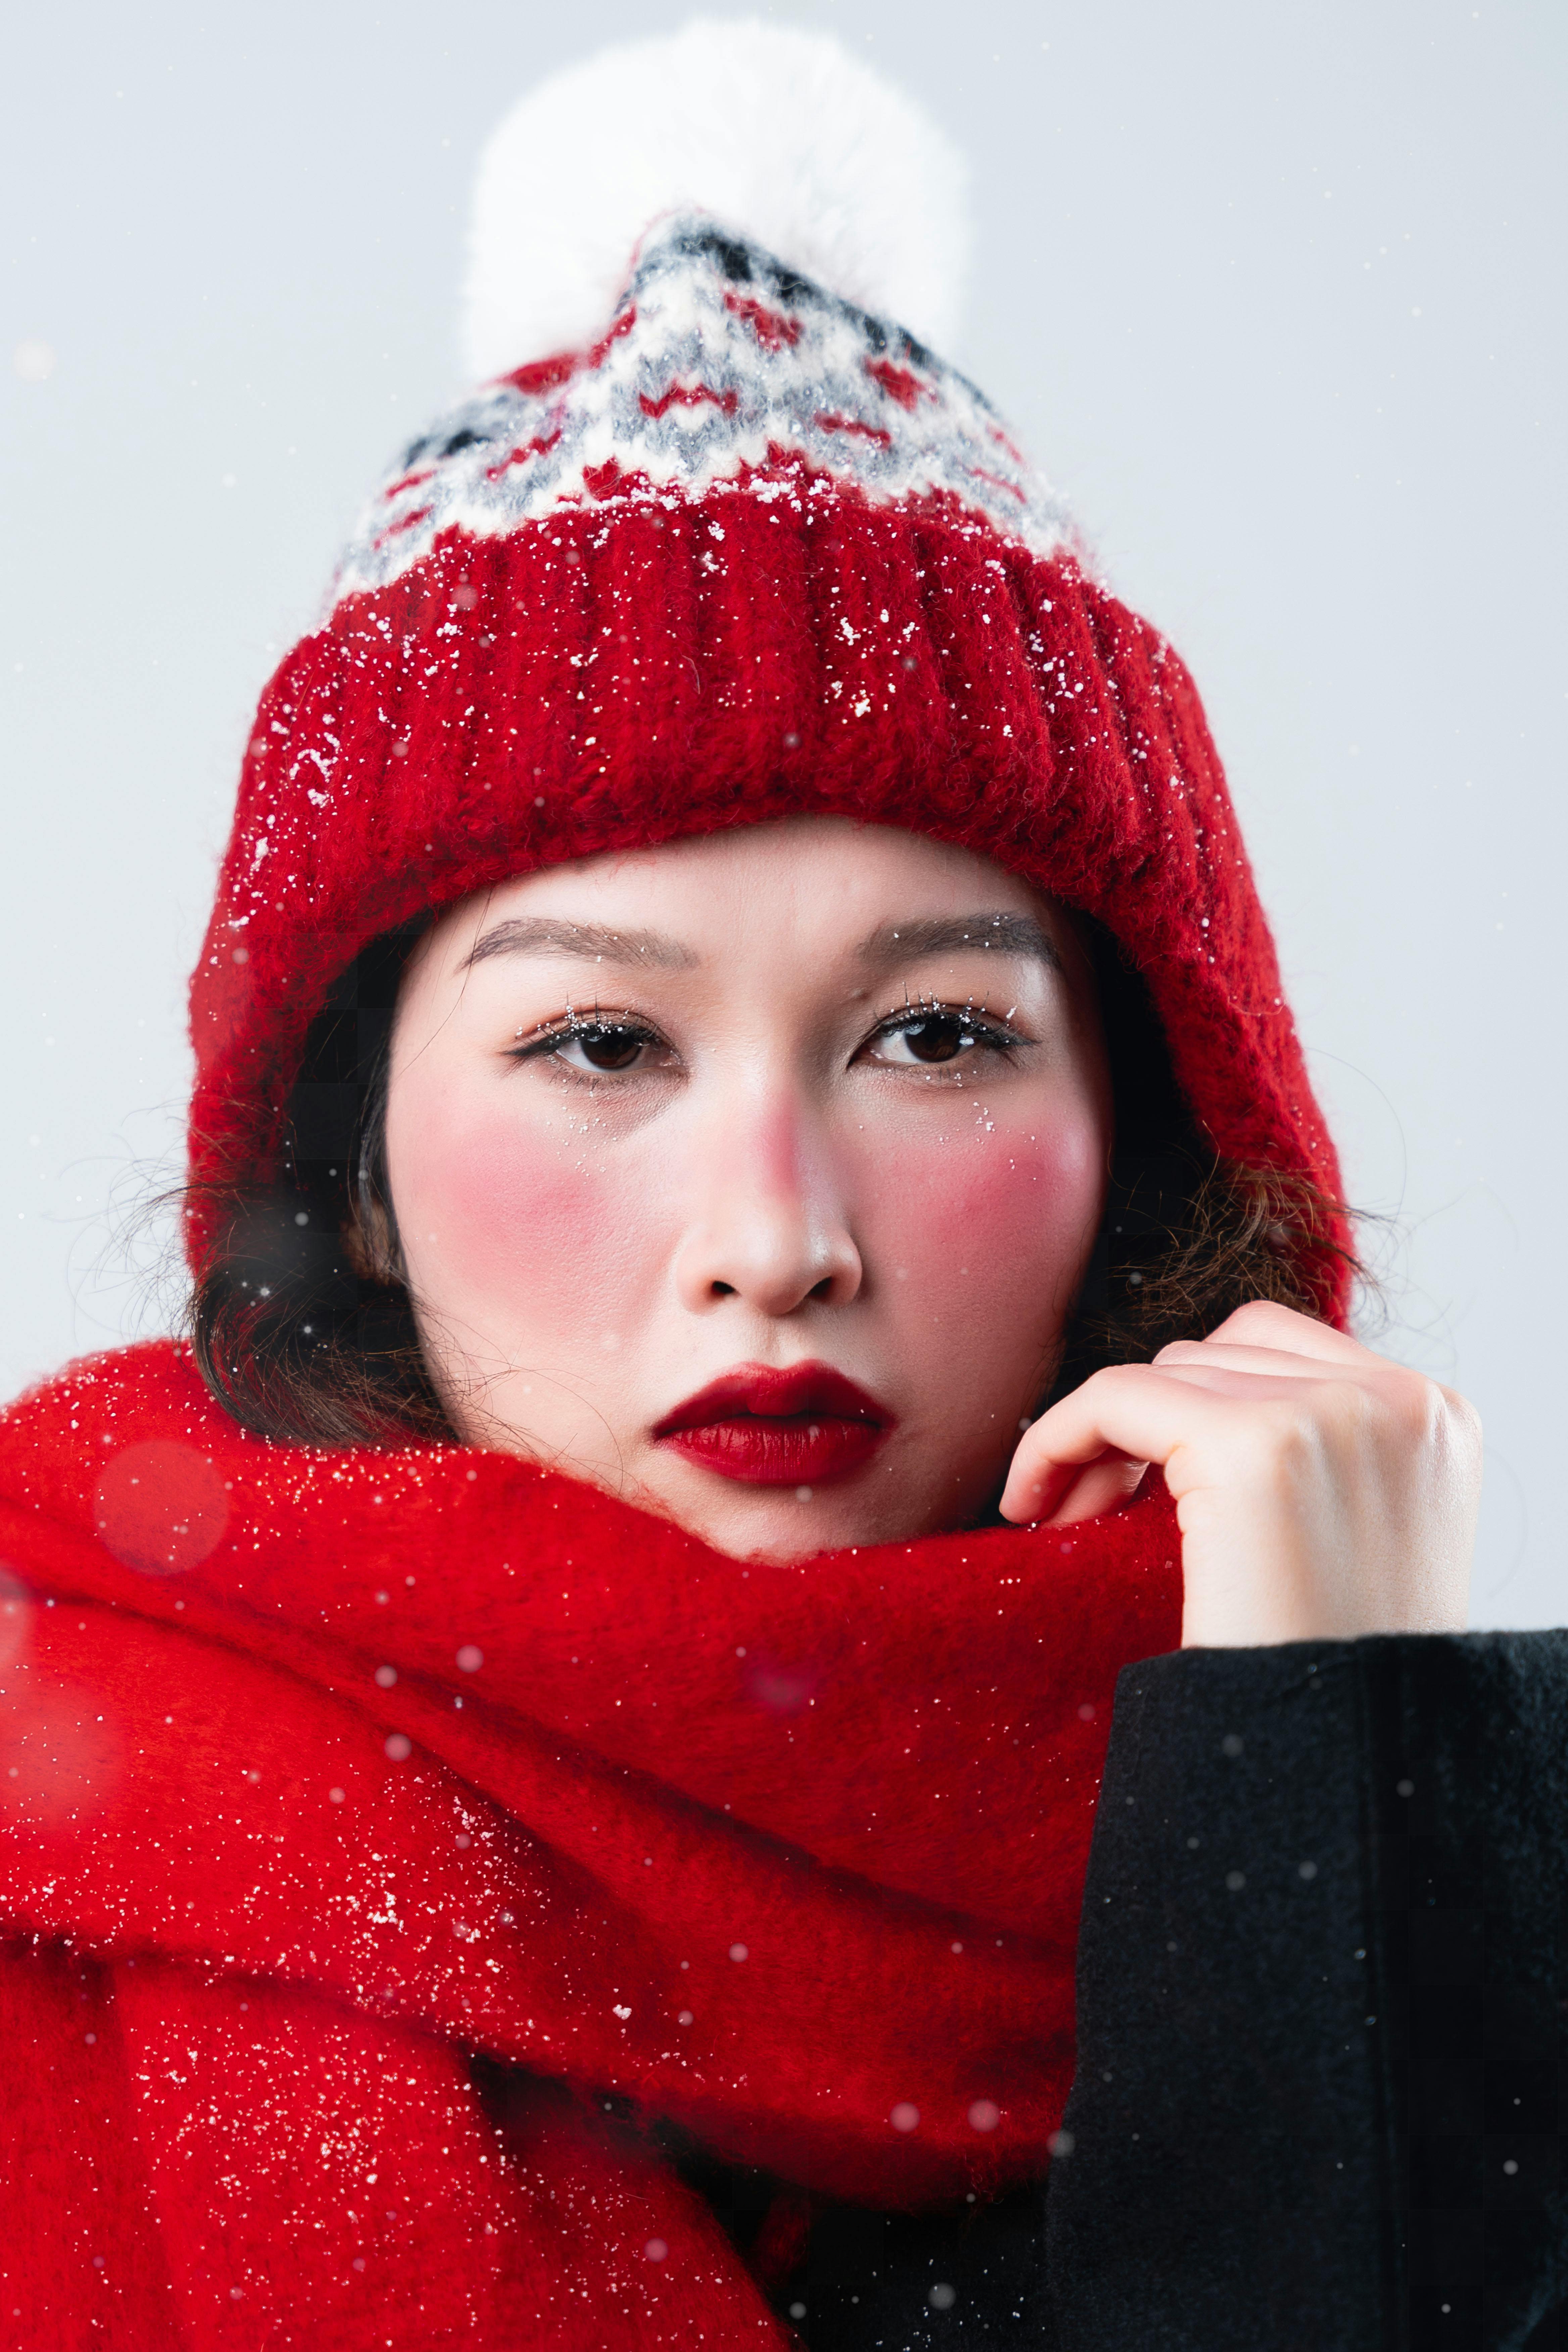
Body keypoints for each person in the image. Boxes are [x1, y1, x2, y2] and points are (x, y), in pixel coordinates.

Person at [0, 24, 1561, 2352]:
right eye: (599, 1044)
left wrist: (1336, 1795)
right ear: (362, 1181)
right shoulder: (57, 1889)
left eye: (934, 1037)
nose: (777, 1238)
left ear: (1142, 1131)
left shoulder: (1468, 1906)